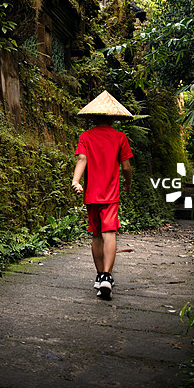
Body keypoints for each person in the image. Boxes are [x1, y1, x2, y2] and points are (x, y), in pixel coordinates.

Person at [72, 107, 133, 299]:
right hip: (111, 194)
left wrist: (76, 181)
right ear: (114, 118)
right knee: (109, 233)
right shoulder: (120, 137)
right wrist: (128, 182)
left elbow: (82, 159)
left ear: (93, 117)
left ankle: (100, 276)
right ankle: (107, 276)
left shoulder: (86, 136)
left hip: (91, 193)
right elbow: (126, 166)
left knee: (96, 234)